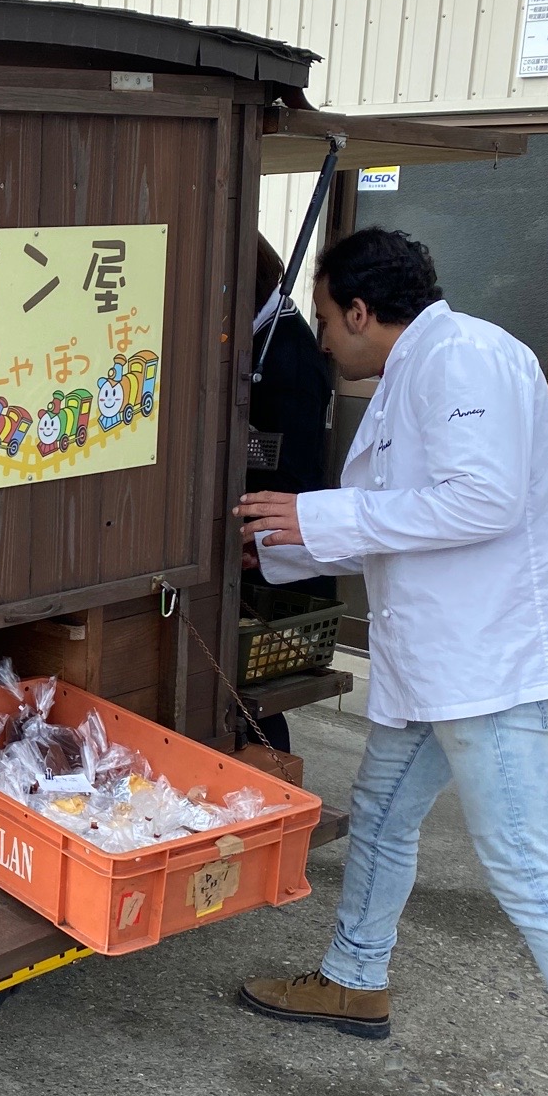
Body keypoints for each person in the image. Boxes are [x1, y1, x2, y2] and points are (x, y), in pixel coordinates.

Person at [233, 226, 548, 1096]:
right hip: (441, 662)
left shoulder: (465, 355)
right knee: (387, 818)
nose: (324, 343)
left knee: (526, 865)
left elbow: (480, 501)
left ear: (360, 311)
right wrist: (282, 543)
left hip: (490, 661)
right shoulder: (414, 373)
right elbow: (407, 519)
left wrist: (314, 516)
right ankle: (355, 980)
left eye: (326, 321)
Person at [242, 237, 335, 754]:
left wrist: (261, 543)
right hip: (263, 537)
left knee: (254, 692)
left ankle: (270, 781)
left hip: (277, 548)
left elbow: (290, 474)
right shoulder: (269, 338)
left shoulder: (289, 356)